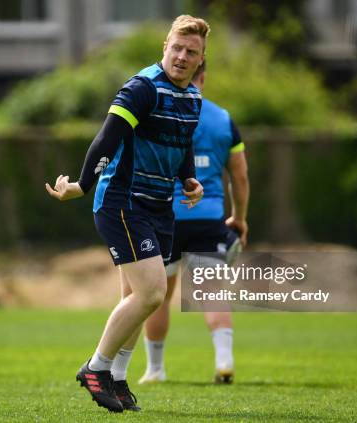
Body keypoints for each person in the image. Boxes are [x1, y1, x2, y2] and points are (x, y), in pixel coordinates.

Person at [45, 15, 210, 413]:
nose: (182, 57)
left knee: (138, 298)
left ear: (201, 59)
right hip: (123, 202)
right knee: (153, 293)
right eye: (176, 48)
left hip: (159, 206)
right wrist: (82, 186)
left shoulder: (193, 98)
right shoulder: (143, 88)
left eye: (191, 52)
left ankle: (117, 379)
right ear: (165, 47)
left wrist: (189, 179)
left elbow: (182, 141)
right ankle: (96, 367)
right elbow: (108, 137)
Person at [138, 62, 250, 385]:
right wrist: (239, 218)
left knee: (157, 294)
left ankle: (155, 369)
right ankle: (224, 363)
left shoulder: (159, 111)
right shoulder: (224, 120)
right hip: (207, 219)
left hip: (165, 217)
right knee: (211, 291)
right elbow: (239, 178)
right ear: (205, 76)